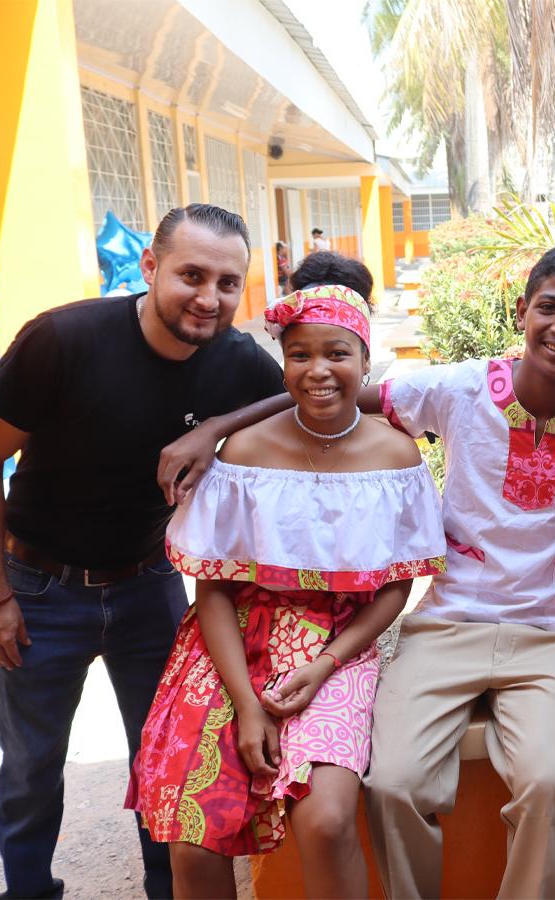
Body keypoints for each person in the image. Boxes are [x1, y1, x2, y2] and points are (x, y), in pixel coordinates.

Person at [153, 244, 555, 898]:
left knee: (547, 783)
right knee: (392, 781)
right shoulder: (462, 388)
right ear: (521, 311)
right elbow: (333, 391)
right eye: (547, 306)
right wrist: (218, 427)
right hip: (448, 624)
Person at [0, 203, 285, 900]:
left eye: (227, 282)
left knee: (163, 758)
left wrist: (215, 425)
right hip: (36, 585)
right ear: (149, 267)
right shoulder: (62, 338)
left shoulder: (237, 363)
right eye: (190, 275)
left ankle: (166, 891)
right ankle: (28, 890)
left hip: (148, 583)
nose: (208, 298)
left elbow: (311, 400)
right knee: (31, 765)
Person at [126, 265, 445, 898]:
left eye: (337, 353)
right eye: (299, 355)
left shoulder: (397, 458)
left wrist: (325, 664)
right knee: (194, 834)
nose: (318, 370)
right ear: (283, 364)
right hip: (226, 648)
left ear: (366, 357)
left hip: (335, 647)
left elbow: (393, 588)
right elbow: (213, 585)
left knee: (326, 821)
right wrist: (247, 704)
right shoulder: (242, 453)